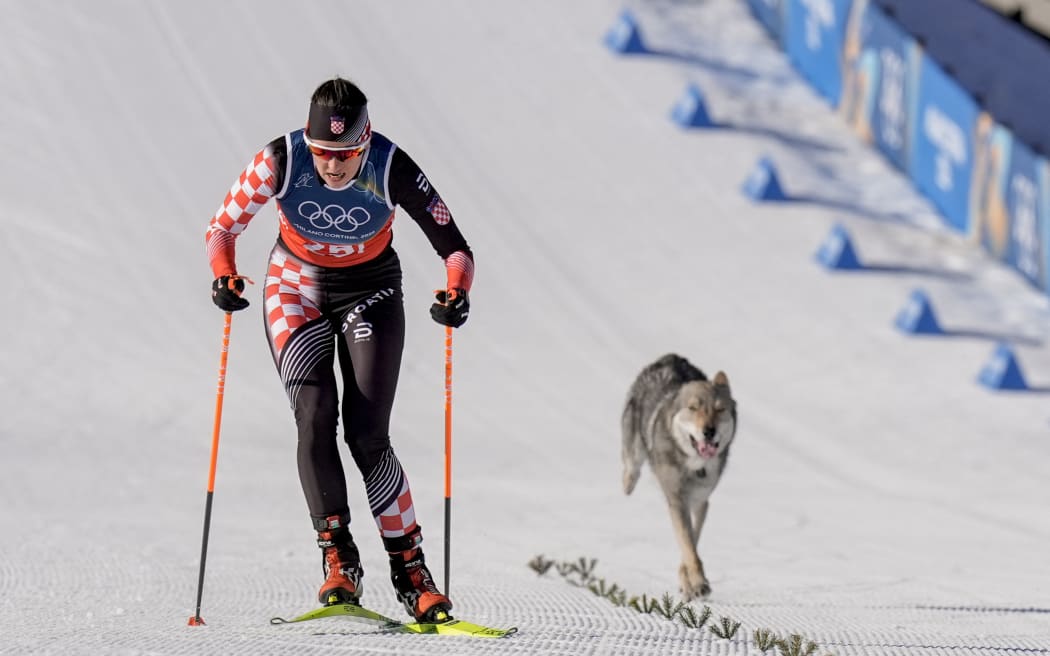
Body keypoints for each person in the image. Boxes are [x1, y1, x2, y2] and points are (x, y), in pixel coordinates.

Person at [204, 77, 472, 622]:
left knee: (368, 434)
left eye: (346, 154)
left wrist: (456, 292)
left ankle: (412, 571)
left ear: (365, 141)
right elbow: (221, 229)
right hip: (293, 288)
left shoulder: (391, 165)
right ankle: (338, 559)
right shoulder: (281, 158)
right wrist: (224, 275)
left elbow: (456, 248)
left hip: (370, 289)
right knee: (315, 414)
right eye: (324, 154)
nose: (332, 166)